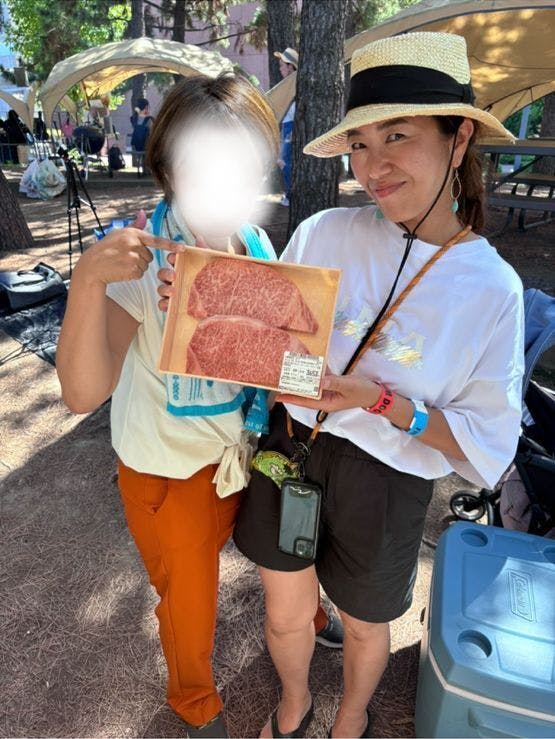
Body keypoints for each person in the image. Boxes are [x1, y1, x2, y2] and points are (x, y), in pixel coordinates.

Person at [230, 32, 525, 738]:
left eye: (397, 136)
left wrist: (382, 402)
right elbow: (271, 341)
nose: (372, 165)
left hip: (387, 479)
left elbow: (484, 441)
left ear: (458, 138)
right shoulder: (324, 232)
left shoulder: (492, 288)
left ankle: (352, 715)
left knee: (366, 625)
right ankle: (295, 702)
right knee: (284, 612)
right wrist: (207, 304)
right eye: (359, 143)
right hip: (292, 445)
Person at [57, 72, 340, 739]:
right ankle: (195, 703)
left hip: (244, 449)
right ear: (168, 170)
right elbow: (81, 393)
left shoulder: (255, 243)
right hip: (170, 472)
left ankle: (305, 612)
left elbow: (280, 356)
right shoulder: (141, 263)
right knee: (189, 604)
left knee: (279, 542)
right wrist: (88, 280)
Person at [274, 47, 298, 206]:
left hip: (291, 125)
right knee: (284, 160)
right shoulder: (289, 83)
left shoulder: (293, 83)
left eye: (282, 65)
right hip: (288, 124)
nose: (280, 68)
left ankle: (290, 195)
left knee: (284, 161)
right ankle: (290, 194)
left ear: (291, 66)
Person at [130, 97, 154, 170]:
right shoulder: (149, 119)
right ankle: (147, 168)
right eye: (148, 107)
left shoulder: (133, 118)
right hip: (146, 145)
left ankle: (145, 168)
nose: (149, 109)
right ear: (146, 107)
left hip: (136, 145)